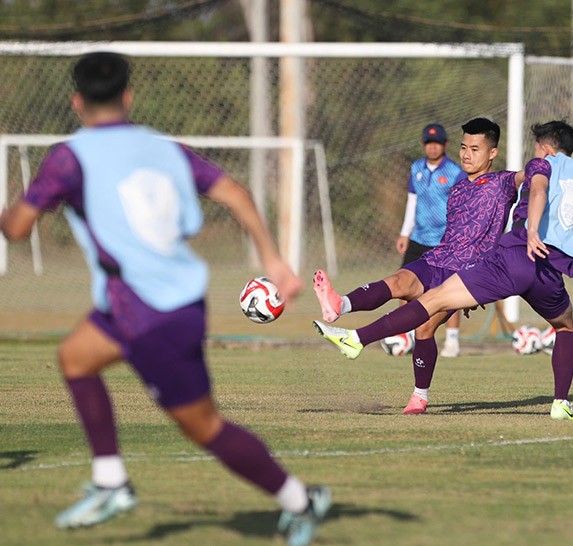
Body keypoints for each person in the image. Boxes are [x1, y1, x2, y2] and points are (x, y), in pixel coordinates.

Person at [0, 52, 330, 546]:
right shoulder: (166, 149)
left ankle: (301, 500)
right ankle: (111, 480)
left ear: (76, 102)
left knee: (204, 428)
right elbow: (236, 193)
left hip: (151, 312)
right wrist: (274, 261)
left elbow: (19, 228)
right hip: (143, 302)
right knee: (75, 358)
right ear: (128, 97)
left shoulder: (69, 158)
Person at [313, 120, 573, 420]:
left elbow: (536, 189)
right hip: (550, 275)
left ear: (545, 148)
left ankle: (357, 339)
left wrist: (532, 228)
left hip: (515, 257)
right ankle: (560, 403)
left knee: (431, 301)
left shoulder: (542, 164)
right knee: (566, 327)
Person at [313, 117, 521, 414]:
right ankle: (340, 304)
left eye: (475, 148)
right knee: (399, 281)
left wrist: (551, 161)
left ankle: (419, 396)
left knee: (424, 329)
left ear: (492, 153)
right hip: (437, 256)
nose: (466, 154)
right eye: (463, 147)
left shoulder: (502, 183)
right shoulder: (459, 188)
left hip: (463, 274)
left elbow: (531, 176)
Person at [388, 123, 465, 358]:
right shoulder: (416, 168)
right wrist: (405, 232)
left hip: (444, 241)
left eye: (437, 143)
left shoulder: (454, 172)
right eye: (429, 143)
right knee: (403, 287)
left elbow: (461, 207)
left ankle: (452, 340)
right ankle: (406, 335)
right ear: (423, 145)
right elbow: (412, 201)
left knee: (451, 290)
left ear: (445, 145)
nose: (432, 148)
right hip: (418, 238)